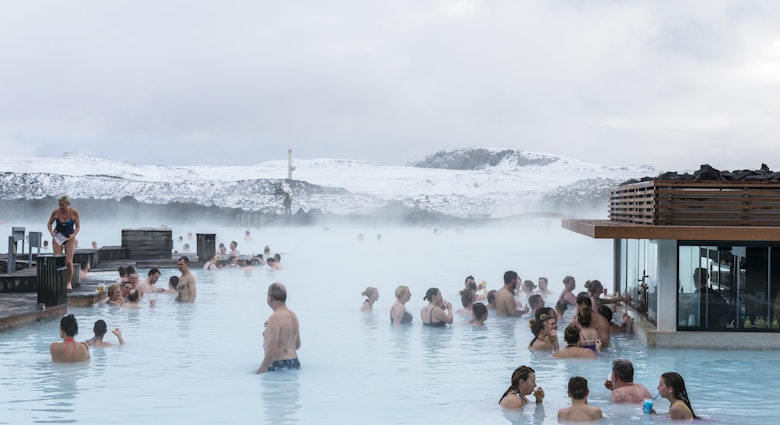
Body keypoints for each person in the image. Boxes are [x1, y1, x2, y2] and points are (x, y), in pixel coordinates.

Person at [256, 282, 301, 374]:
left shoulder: (275, 318)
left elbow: (272, 351)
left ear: (271, 297)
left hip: (279, 365)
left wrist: (258, 373)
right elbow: (297, 345)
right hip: (295, 363)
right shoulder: (293, 316)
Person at [46, 195, 81, 290]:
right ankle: (58, 281)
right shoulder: (56, 212)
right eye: (59, 205)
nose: (61, 207)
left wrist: (74, 234)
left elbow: (78, 226)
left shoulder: (74, 212)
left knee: (69, 262)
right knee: (57, 260)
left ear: (67, 204)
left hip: (69, 237)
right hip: (58, 236)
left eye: (62, 205)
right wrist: (51, 232)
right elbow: (49, 223)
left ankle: (68, 282)